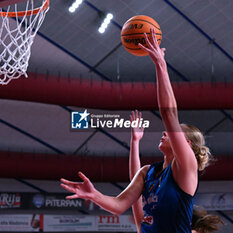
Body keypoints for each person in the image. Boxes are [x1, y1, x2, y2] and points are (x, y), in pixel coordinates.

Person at [61, 28, 211, 233]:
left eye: (175, 132)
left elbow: (169, 116)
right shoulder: (148, 172)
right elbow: (120, 205)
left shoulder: (186, 167)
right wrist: (94, 195)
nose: (165, 132)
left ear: (187, 145)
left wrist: (160, 64)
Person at [129, 110, 223, 233]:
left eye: (173, 134)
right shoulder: (155, 179)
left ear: (185, 144)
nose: (165, 132)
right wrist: (135, 141)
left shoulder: (185, 173)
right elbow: (135, 186)